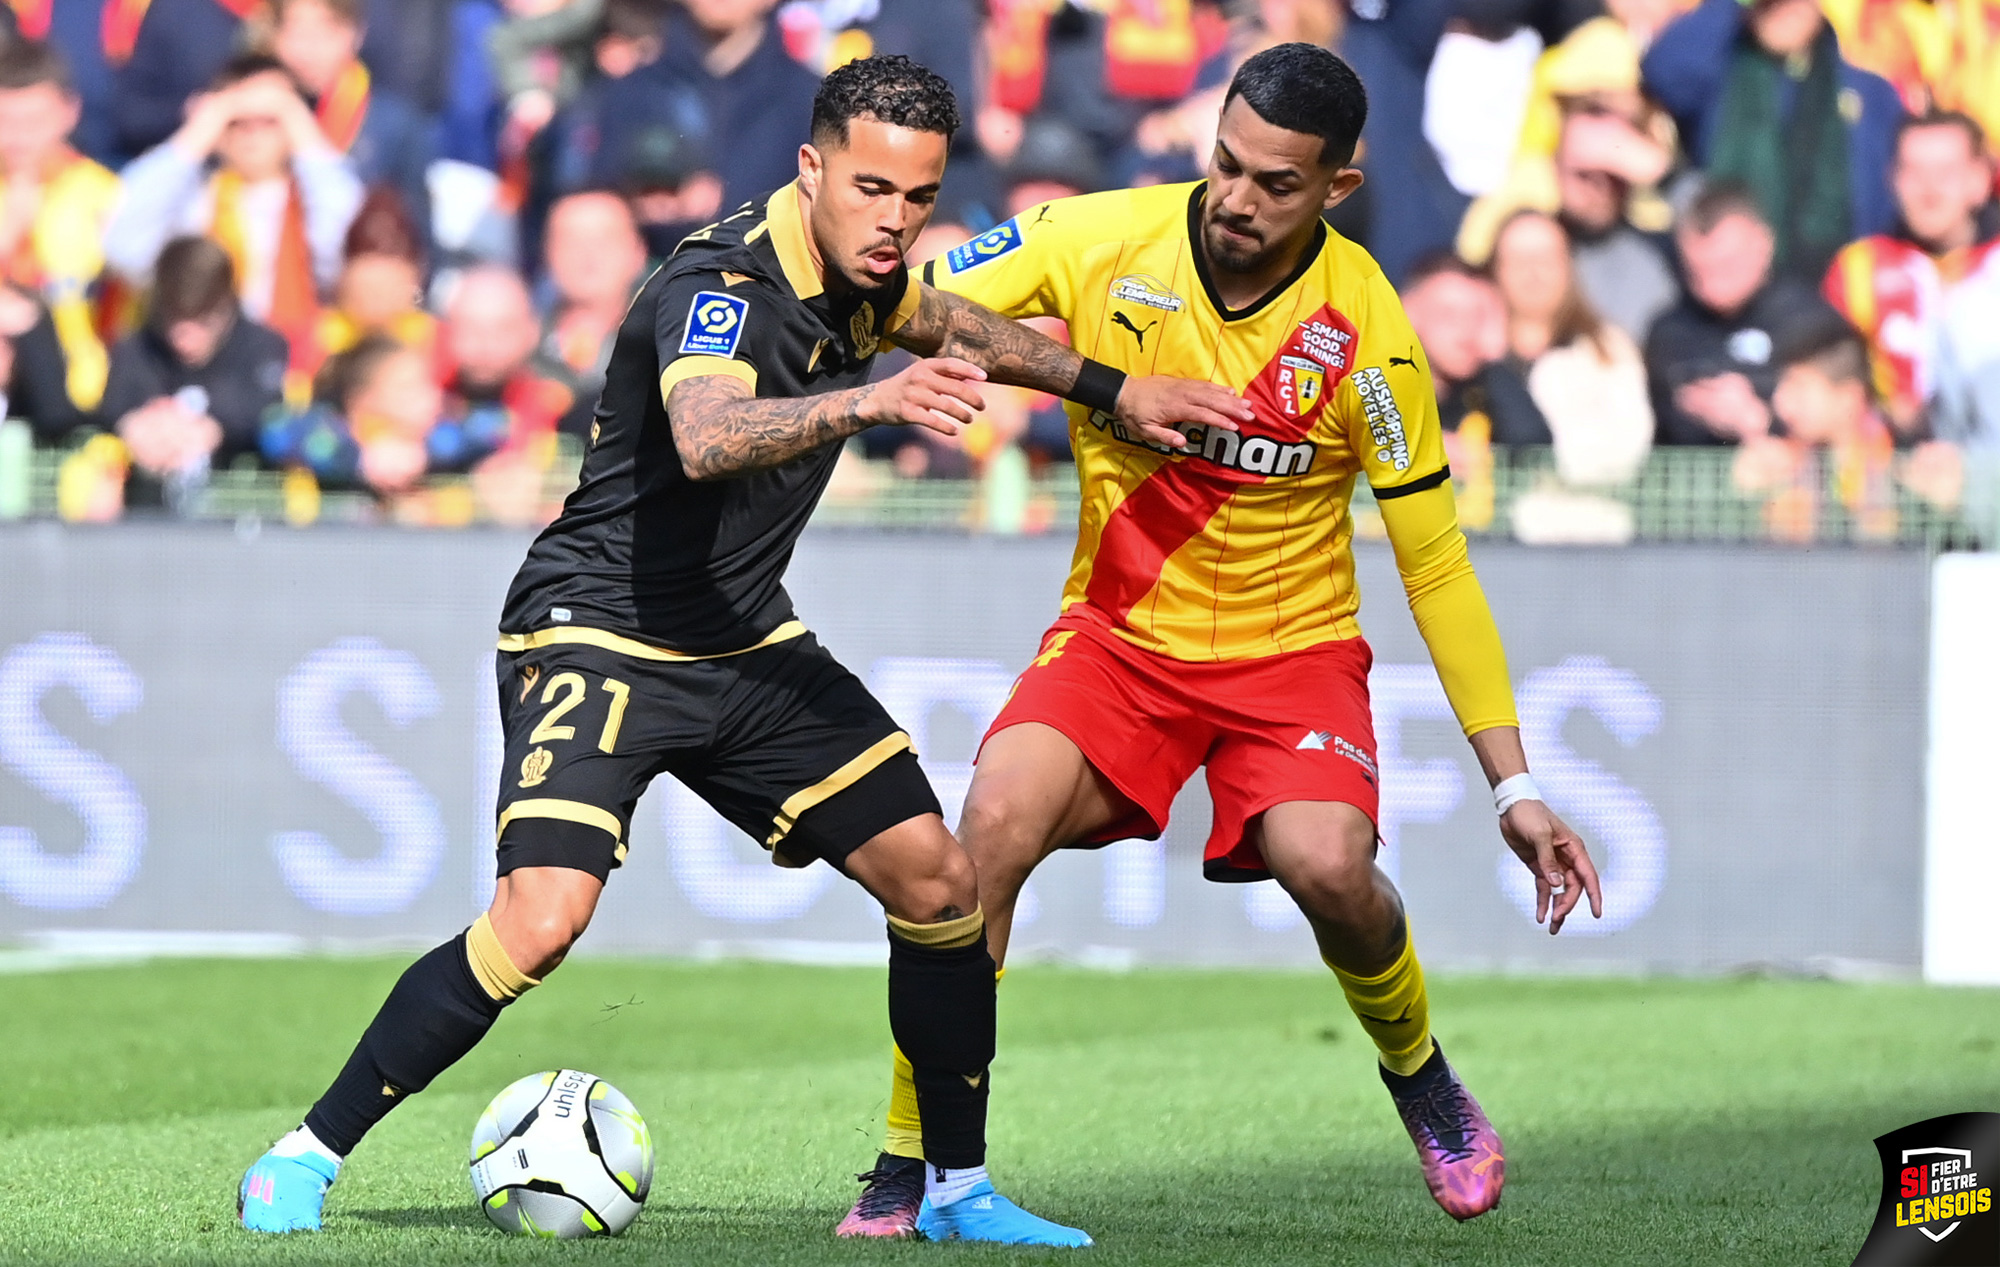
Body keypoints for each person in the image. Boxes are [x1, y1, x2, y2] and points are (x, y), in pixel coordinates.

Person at [235, 53, 1239, 1244]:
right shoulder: (718, 280)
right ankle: (302, 1154)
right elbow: (707, 433)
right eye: (871, 189)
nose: (895, 220)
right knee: (541, 919)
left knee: (938, 882)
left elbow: (959, 322)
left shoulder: (867, 276)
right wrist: (869, 402)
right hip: (600, 627)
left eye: (917, 197)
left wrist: (1111, 388)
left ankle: (954, 1190)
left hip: (742, 638)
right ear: (809, 168)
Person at [841, 42, 1604, 1240]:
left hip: (1288, 654)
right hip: (1114, 639)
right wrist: (1092, 381)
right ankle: (911, 1162)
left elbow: (1435, 564)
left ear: (1336, 187)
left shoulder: (1370, 334)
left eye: (1275, 183)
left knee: (1328, 869)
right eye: (1225, 165)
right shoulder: (1098, 236)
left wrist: (1513, 784)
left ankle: (1421, 1080)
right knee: (981, 834)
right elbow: (906, 302)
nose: (1237, 200)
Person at [104, 53, 366, 362]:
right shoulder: (193, 201)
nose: (252, 134)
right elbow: (122, 246)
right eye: (237, 122)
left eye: (270, 120)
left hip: (300, 370)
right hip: (205, 368)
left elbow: (352, 252)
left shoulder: (313, 200)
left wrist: (303, 130)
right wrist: (196, 135)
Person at [1642, 0, 1903, 281]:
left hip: (1842, 288)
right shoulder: (1719, 80)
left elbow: (1886, 204)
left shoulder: (1870, 93)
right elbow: (1662, 71)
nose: (1783, 8)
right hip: (1734, 283)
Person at [1823, 112, 2000, 438]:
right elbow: (1828, 388)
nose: (1929, 190)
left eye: (1946, 173)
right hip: (1890, 469)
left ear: (1980, 179)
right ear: (1892, 178)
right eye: (1913, 172)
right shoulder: (1858, 268)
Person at [99, 236, 290, 512]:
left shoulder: (261, 348)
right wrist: (134, 427)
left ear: (226, 306)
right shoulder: (137, 347)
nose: (183, 339)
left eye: (202, 322)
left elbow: (266, 412)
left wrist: (213, 429)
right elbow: (112, 406)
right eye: (174, 320)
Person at [1646, 181, 1844, 445]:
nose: (1712, 289)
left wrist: (1761, 421)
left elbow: (1841, 427)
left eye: (1727, 268)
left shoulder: (1811, 325)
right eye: (1697, 273)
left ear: (1764, 244)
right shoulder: (1669, 332)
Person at [0, 39, 122, 414]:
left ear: (69, 112)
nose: (19, 137)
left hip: (80, 388)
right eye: (6, 121)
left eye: (34, 121)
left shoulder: (102, 194)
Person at [1489, 210, 1653, 484]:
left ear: (1569, 265)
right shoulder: (1470, 355)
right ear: (1495, 268)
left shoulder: (1608, 349)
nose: (1533, 272)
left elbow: (1625, 448)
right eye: (1518, 260)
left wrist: (1540, 456)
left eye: (1546, 259)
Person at [268, 0, 436, 240]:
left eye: (326, 32)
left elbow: (417, 235)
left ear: (357, 33)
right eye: (295, 32)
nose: (308, 50)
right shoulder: (258, 116)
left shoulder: (394, 125)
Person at [537, 189, 649, 408]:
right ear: (547, 253)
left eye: (605, 241)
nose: (588, 255)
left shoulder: (664, 352)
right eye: (571, 241)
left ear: (639, 253)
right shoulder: (519, 351)